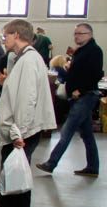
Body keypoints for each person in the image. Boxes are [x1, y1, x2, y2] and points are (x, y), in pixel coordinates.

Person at [0, 19, 56, 207]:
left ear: (16, 35)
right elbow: (20, 92)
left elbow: (27, 101)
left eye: (6, 35)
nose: (3, 40)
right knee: (18, 181)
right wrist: (6, 83)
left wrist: (18, 133)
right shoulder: (22, 59)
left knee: (9, 182)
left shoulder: (29, 60)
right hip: (21, 131)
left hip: (21, 133)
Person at [37, 23, 103, 177]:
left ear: (89, 35)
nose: (77, 36)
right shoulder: (80, 51)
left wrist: (80, 90)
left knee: (67, 130)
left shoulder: (94, 51)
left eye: (80, 33)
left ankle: (51, 163)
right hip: (78, 96)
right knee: (87, 135)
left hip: (85, 96)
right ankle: (93, 167)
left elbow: (96, 74)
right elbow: (76, 73)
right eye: (75, 33)